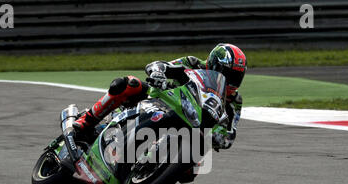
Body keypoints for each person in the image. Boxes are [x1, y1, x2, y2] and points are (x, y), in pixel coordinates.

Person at [73, 43, 247, 151]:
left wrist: (218, 137)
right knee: (128, 84)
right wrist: (158, 73)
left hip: (191, 129)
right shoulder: (193, 63)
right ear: (214, 64)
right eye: (227, 74)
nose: (230, 81)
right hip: (160, 100)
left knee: (193, 166)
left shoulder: (234, 102)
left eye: (236, 77)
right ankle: (87, 120)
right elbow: (160, 65)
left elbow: (229, 134)